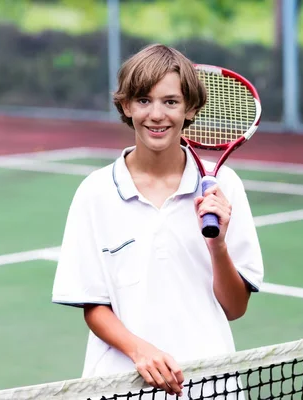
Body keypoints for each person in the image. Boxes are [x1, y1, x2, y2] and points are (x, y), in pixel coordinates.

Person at [51, 43, 264, 397]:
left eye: (171, 101)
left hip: (210, 384)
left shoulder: (224, 187)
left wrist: (218, 244)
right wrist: (140, 351)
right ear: (125, 105)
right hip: (121, 385)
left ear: (190, 108)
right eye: (144, 100)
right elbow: (93, 304)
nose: (157, 114)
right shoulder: (95, 192)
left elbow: (235, 308)